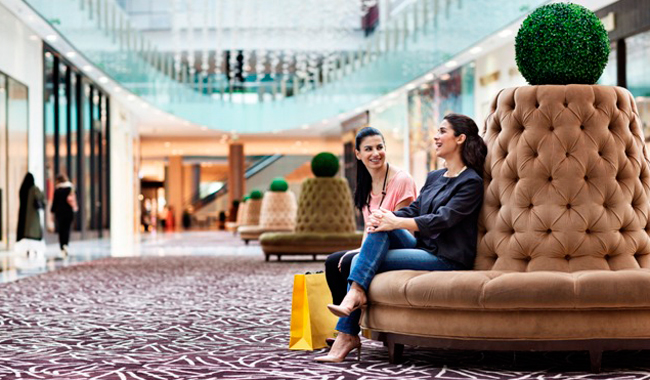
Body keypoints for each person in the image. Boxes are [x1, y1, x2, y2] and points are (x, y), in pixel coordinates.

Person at [315, 113, 488, 363]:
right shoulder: (435, 177)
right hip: (423, 247)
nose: (436, 137)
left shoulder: (470, 181)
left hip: (446, 257)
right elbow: (415, 209)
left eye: (442, 131)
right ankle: (353, 302)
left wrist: (396, 222)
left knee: (357, 261)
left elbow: (443, 219)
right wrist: (388, 216)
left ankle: (347, 327)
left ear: (460, 138)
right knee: (380, 223)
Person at [325, 126, 417, 309]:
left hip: (402, 243)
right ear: (358, 154)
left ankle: (348, 328)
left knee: (351, 261)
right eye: (368, 149)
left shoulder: (401, 180)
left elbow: (402, 227)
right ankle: (342, 329)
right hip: (376, 240)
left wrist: (360, 253)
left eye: (379, 147)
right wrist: (359, 249)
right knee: (333, 261)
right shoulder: (364, 184)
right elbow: (369, 226)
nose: (376, 153)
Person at [16, 173, 45, 255]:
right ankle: (34, 250)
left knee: (27, 234)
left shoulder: (23, 189)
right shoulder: (34, 189)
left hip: (24, 216)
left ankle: (28, 250)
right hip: (33, 216)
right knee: (33, 234)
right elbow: (41, 199)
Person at [50, 174, 77, 259]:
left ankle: (62, 247)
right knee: (67, 229)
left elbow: (54, 203)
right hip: (69, 213)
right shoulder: (70, 188)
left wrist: (52, 211)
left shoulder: (57, 190)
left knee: (61, 231)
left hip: (60, 213)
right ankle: (66, 245)